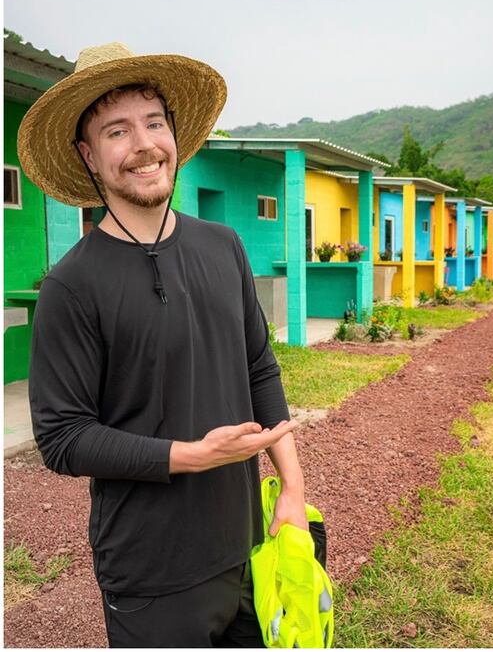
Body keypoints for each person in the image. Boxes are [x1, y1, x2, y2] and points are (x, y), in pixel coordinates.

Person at [19, 42, 306, 646]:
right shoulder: (72, 286)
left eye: (154, 123)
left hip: (247, 543)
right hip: (151, 570)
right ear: (88, 156)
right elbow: (63, 438)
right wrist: (191, 455)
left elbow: (260, 368)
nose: (144, 145)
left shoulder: (223, 245)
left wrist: (293, 493)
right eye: (116, 131)